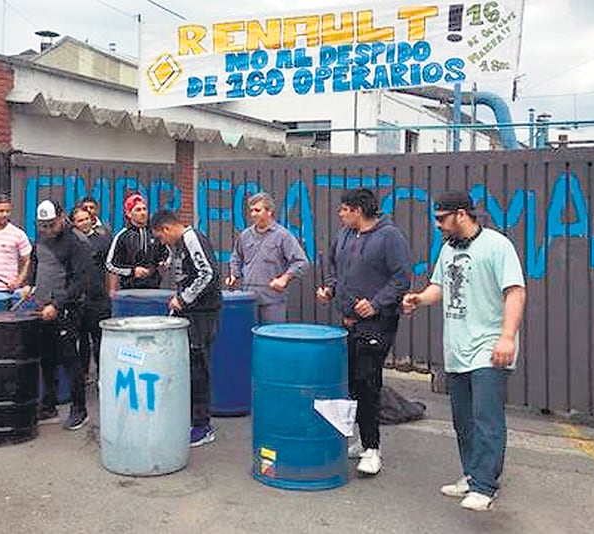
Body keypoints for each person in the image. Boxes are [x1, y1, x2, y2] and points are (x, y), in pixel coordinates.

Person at [402, 191, 526, 512]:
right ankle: (472, 475)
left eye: (441, 219)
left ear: (460, 214)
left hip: (489, 347)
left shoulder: (498, 246)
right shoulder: (447, 250)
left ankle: (485, 486)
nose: (438, 225)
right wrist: (419, 299)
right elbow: (439, 287)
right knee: (464, 420)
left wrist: (507, 337)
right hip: (457, 349)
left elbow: (515, 292)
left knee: (487, 418)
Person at [315, 188, 412, 476]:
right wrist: (330, 288)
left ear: (359, 210)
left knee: (367, 383)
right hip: (347, 322)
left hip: (377, 324)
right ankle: (361, 439)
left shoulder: (389, 236)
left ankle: (373, 449)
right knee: (352, 383)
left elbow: (402, 277)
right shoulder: (345, 235)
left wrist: (377, 303)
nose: (340, 214)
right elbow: (334, 266)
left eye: (344, 209)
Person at [150, 209, 222, 447]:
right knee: (191, 368)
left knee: (199, 368)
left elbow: (208, 273)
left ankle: (203, 425)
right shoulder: (180, 245)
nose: (163, 242)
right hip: (189, 313)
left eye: (161, 237)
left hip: (202, 315)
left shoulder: (191, 239)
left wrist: (184, 299)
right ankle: (193, 420)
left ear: (167, 229)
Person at [19, 200, 91, 431]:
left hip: (66, 308)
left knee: (70, 358)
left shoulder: (76, 241)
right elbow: (35, 262)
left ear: (61, 218)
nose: (48, 230)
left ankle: (79, 409)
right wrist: (29, 283)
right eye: (43, 226)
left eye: (51, 225)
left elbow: (81, 280)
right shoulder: (41, 237)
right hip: (42, 306)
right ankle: (48, 404)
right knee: (46, 358)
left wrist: (58, 304)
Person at [227, 192, 309, 324]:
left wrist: (284, 279)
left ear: (269, 211)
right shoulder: (245, 235)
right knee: (249, 339)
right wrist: (234, 274)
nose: (253, 214)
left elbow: (301, 262)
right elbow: (236, 257)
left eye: (257, 210)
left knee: (272, 340)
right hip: (248, 301)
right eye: (251, 210)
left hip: (273, 302)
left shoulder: (283, 236)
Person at [71, 205, 112, 381]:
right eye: (80, 220)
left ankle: (102, 374)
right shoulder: (70, 241)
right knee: (81, 339)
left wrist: (111, 290)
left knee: (99, 337)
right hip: (78, 297)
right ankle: (83, 374)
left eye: (86, 218)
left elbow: (110, 267)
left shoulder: (102, 239)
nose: (84, 222)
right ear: (73, 223)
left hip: (98, 295)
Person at [105, 192, 167, 293]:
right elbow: (110, 264)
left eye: (144, 209)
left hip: (154, 289)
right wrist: (133, 271)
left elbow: (167, 253)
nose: (143, 213)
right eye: (138, 210)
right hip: (130, 291)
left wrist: (163, 263)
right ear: (129, 214)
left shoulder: (156, 233)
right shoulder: (122, 236)